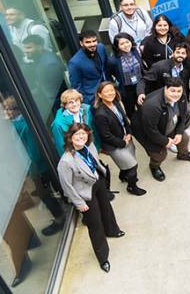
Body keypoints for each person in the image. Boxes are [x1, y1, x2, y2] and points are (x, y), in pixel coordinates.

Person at [57, 123, 123, 273]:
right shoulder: (66, 161)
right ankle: (103, 258)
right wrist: (79, 203)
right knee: (95, 224)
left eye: (84, 134)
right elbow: (67, 186)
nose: (81, 137)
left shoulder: (90, 146)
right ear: (70, 138)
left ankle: (112, 230)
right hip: (84, 193)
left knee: (106, 208)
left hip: (97, 182)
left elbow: (95, 162)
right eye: (77, 135)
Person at [132, 78, 190, 182]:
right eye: (172, 91)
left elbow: (183, 116)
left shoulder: (181, 96)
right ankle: (154, 167)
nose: (176, 94)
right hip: (146, 131)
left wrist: (178, 133)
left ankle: (183, 155)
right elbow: (151, 130)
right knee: (160, 154)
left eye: (179, 91)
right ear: (165, 89)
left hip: (167, 122)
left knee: (184, 138)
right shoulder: (152, 106)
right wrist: (166, 141)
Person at [92, 82, 146, 196]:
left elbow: (125, 120)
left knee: (128, 160)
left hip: (126, 137)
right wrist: (123, 142)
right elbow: (106, 136)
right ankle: (132, 186)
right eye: (106, 91)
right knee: (132, 165)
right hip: (115, 145)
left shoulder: (116, 103)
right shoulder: (100, 114)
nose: (110, 93)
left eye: (112, 90)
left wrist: (129, 133)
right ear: (100, 95)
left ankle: (123, 175)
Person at [68, 30, 111, 105]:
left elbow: (106, 67)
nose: (92, 44)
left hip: (108, 89)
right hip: (92, 97)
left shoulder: (101, 48)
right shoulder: (75, 62)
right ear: (81, 43)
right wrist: (86, 100)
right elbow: (76, 86)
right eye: (88, 42)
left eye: (94, 41)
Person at [110, 33, 146, 118]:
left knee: (144, 108)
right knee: (131, 113)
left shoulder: (136, 51)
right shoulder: (113, 60)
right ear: (117, 46)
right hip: (127, 89)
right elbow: (110, 74)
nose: (126, 45)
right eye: (122, 44)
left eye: (127, 42)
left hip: (140, 85)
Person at [51, 89, 97, 155]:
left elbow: (92, 131)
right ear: (65, 105)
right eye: (70, 102)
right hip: (76, 155)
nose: (75, 104)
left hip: (90, 148)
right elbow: (61, 146)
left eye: (76, 100)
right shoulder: (58, 124)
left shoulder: (86, 111)